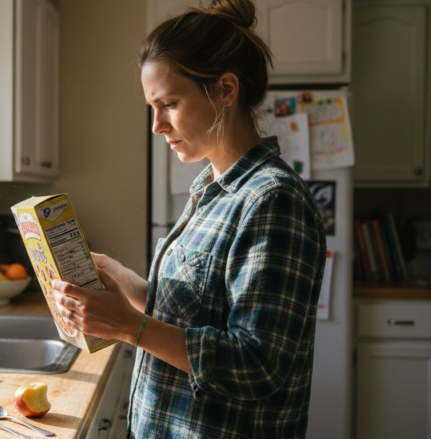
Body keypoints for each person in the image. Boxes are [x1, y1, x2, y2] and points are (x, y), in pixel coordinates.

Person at [51, 0, 327, 437]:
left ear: (225, 90)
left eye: (170, 103)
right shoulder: (210, 189)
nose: (157, 125)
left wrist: (126, 325)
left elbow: (258, 364)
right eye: (152, 107)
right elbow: (198, 314)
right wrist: (125, 281)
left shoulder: (273, 201)